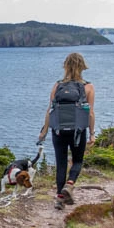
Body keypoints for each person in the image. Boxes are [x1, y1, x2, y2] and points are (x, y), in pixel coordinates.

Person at [37, 52, 95, 209]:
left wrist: (43, 132)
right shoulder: (88, 87)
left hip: (58, 131)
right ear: (82, 66)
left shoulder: (57, 86)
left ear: (66, 66)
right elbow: (90, 112)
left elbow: (50, 110)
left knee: (61, 163)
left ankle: (59, 199)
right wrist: (92, 133)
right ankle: (69, 184)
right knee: (77, 161)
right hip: (78, 131)